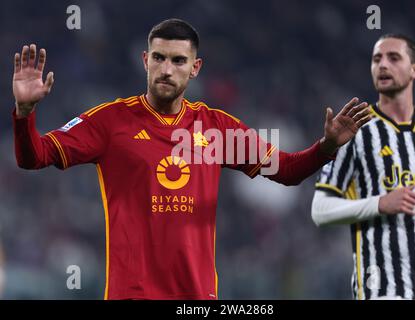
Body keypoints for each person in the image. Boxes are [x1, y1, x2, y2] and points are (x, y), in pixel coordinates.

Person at [12, 18, 370, 300]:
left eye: (178, 60)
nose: (167, 69)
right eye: (159, 58)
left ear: (195, 67)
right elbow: (35, 157)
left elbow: (287, 171)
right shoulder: (109, 122)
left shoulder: (215, 128)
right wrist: (25, 113)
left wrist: (325, 146)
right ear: (145, 60)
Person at [312, 34, 415, 300]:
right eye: (377, 59)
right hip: (382, 291)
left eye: (393, 58)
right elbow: (320, 210)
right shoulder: (354, 131)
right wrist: (379, 204)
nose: (382, 65)